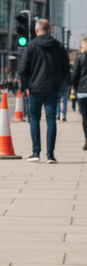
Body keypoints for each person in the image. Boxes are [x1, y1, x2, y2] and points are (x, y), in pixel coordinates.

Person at [18, 18, 70, 163]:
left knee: (34, 118)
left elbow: (23, 69)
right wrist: (59, 82)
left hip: (35, 88)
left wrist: (24, 86)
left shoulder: (31, 46)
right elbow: (66, 69)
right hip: (53, 88)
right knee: (51, 119)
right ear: (50, 30)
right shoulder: (59, 46)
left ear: (36, 30)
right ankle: (50, 155)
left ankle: (36, 153)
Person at [71, 38, 87, 152]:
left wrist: (75, 88)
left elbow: (75, 75)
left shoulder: (79, 58)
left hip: (83, 91)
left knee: (85, 116)